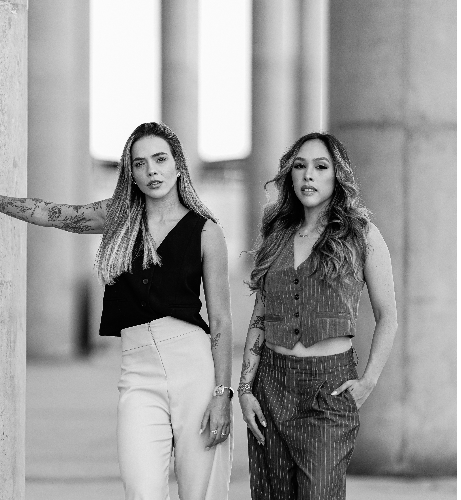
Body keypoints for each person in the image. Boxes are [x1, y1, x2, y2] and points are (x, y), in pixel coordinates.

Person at [0, 122, 233, 500]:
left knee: (201, 493)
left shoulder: (206, 232)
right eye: (140, 163)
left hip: (194, 369)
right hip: (138, 372)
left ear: (178, 166)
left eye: (160, 159)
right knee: (141, 490)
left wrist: (222, 393)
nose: (152, 170)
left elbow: (221, 319)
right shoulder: (117, 218)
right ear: (132, 175)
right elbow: (52, 213)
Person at [238, 132, 398, 500]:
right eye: (300, 166)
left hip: (328, 389)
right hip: (271, 386)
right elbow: (260, 318)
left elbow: (387, 315)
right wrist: (245, 389)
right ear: (290, 176)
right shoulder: (277, 235)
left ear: (337, 175)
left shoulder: (362, 235)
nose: (308, 175)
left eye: (321, 166)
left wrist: (369, 380)